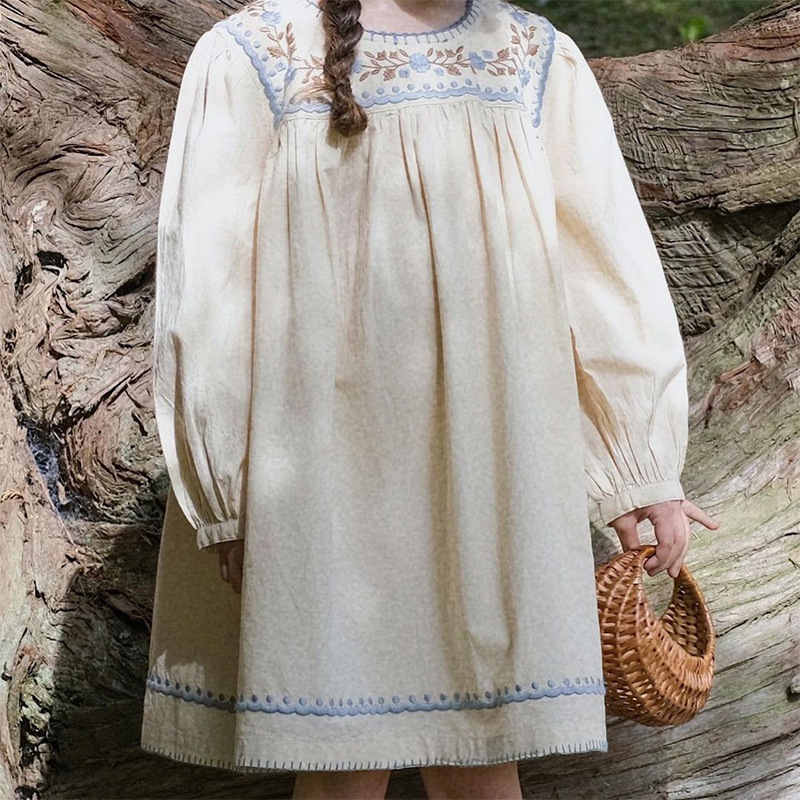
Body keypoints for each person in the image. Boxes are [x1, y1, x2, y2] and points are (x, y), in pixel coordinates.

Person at [140, 0, 720, 797]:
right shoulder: (255, 54)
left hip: (491, 467)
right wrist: (229, 495)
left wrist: (639, 469)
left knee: (482, 754)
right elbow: (207, 291)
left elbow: (603, 268)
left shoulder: (527, 56)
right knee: (341, 769)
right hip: (319, 480)